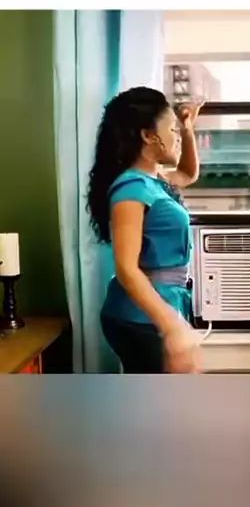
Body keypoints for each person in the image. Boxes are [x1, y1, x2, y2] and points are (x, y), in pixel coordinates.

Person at [87, 86, 204, 373]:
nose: (176, 136)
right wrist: (171, 325)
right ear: (148, 136)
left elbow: (188, 173)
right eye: (172, 129)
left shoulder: (153, 180)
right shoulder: (131, 189)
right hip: (139, 318)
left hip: (158, 307)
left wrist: (187, 128)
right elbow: (126, 270)